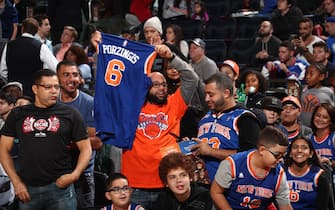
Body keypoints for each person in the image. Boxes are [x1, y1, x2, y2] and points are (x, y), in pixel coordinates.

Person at [0, 69, 92, 210]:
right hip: (27, 188)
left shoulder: (70, 114)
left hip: (61, 188)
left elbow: (86, 148)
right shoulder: (18, 114)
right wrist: (16, 182)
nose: (54, 91)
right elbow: (3, 150)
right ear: (35, 89)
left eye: (56, 86)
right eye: (48, 87)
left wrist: (75, 175)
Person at [121, 44, 199, 209]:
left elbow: (192, 78)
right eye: (156, 85)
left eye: (163, 84)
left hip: (167, 184)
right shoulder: (131, 105)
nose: (162, 88)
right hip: (135, 185)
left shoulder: (174, 103)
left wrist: (171, 58)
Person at [193, 72, 261, 181]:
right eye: (205, 94)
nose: (206, 99)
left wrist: (211, 151)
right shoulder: (204, 117)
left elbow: (251, 155)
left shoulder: (245, 118)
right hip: (202, 185)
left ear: (226, 93)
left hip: (231, 187)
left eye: (211, 95)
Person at [210, 126, 292, 210]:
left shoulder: (279, 173)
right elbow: (216, 192)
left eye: (283, 156)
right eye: (277, 155)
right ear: (262, 150)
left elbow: (285, 205)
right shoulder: (233, 164)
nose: (281, 160)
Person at [57, 61, 102, 210]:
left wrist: (67, 141)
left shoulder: (89, 103)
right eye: (66, 75)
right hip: (54, 173)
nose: (71, 79)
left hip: (83, 175)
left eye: (75, 75)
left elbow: (97, 142)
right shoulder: (50, 101)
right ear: (57, 78)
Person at [0, 18, 58, 97]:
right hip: (33, 93)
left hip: (13, 93)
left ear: (22, 28)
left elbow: (2, 71)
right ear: (36, 30)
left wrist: (11, 82)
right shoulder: (40, 46)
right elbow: (55, 67)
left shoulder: (9, 45)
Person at [284, 136, 333, 210]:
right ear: (290, 153)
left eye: (304, 148)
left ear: (311, 154)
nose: (299, 150)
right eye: (295, 147)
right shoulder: (281, 173)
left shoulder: (319, 176)